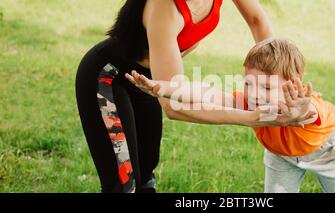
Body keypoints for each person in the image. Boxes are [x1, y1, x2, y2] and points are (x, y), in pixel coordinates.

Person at [76, 0, 311, 193]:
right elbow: (174, 107)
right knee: (124, 182)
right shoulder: (164, 7)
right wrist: (250, 117)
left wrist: (276, 83)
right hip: (107, 78)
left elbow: (257, 20)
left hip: (149, 79)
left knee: (146, 172)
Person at [127, 38, 335, 193]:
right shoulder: (251, 100)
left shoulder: (305, 105)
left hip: (330, 152)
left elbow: (309, 113)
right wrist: (163, 88)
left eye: (267, 87)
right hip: (282, 154)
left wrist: (300, 112)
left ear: (294, 84)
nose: (256, 94)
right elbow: (208, 93)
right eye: (250, 83)